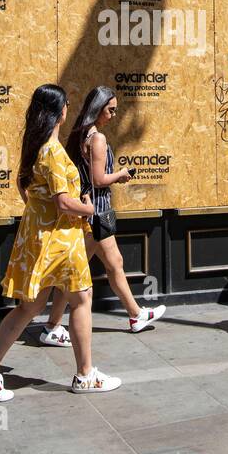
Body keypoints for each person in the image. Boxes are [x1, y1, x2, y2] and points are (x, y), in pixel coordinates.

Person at [0, 84, 121, 401]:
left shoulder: (36, 147)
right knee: (81, 300)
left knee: (30, 307)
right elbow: (64, 203)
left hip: (39, 239)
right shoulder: (51, 152)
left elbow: (29, 193)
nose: (69, 108)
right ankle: (85, 375)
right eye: (66, 103)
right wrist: (89, 208)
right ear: (60, 110)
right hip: (61, 239)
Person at [36, 87, 166, 346]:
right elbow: (98, 179)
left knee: (110, 263)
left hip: (90, 211)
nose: (114, 115)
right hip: (95, 211)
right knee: (79, 272)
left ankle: (134, 314)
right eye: (111, 109)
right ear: (98, 109)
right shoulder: (98, 139)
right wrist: (121, 174)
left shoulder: (80, 134)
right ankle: (52, 326)